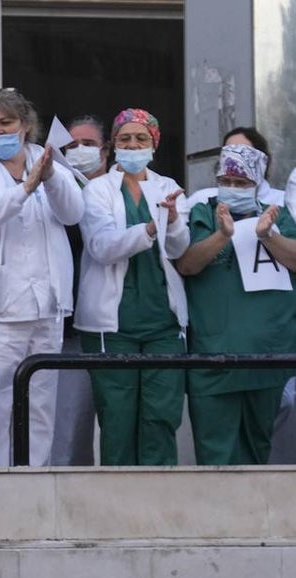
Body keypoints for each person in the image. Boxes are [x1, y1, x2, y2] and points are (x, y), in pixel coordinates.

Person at [0, 88, 84, 466]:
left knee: (41, 407)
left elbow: (73, 213)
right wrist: (26, 188)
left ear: (25, 125)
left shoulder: (48, 161)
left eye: (5, 123)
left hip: (46, 307)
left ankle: (35, 486)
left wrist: (51, 176)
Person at [75, 108, 189, 466]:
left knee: (161, 417)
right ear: (113, 144)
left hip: (163, 323)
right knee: (117, 419)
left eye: (141, 138)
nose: (132, 144)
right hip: (113, 325)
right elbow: (102, 247)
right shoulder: (96, 189)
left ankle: (160, 508)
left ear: (153, 143)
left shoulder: (168, 187)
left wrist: (171, 222)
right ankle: (116, 511)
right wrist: (150, 229)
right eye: (124, 138)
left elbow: (178, 250)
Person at [175, 144, 296, 465]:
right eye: (226, 179)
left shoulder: (277, 215)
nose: (232, 188)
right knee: (216, 460)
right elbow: (187, 264)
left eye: (242, 183)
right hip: (215, 361)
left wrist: (268, 235)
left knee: (258, 455)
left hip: (267, 361)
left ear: (258, 184)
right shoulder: (203, 211)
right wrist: (223, 235)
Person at [52, 114, 111, 466]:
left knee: (117, 424)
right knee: (68, 429)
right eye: (71, 145)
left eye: (88, 144)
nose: (79, 151)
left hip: (114, 327)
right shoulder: (59, 197)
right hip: (69, 330)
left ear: (104, 151)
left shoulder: (122, 193)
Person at [186, 127, 285, 212]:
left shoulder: (283, 202)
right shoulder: (202, 199)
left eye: (243, 152)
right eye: (229, 151)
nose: (235, 159)